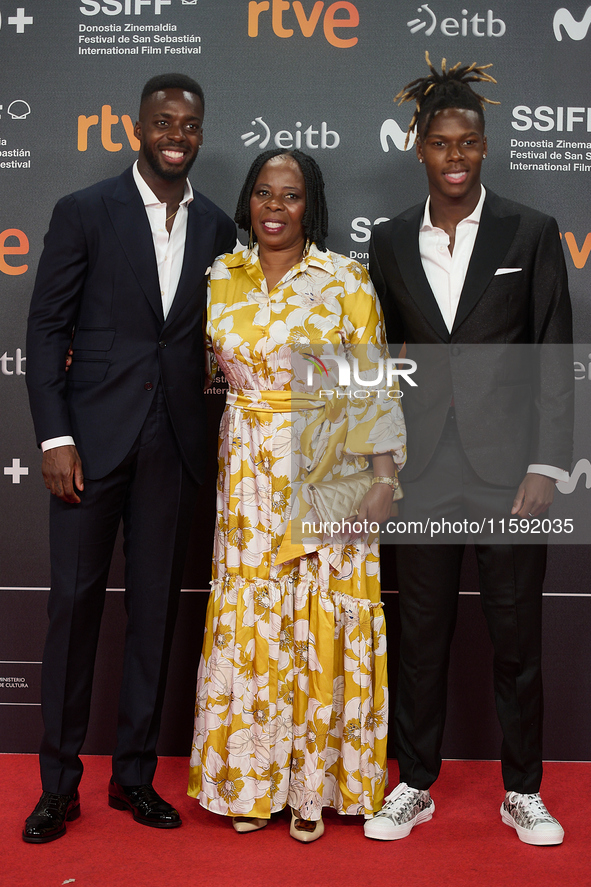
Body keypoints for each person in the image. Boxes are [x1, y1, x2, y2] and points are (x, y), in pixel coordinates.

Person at [363, 54, 573, 846]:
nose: (454, 156)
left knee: (516, 635)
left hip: (509, 473)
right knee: (418, 636)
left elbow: (553, 351)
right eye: (440, 142)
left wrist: (546, 464)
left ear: (485, 148)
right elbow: (375, 358)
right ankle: (413, 782)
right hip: (421, 470)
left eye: (468, 143)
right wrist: (380, 465)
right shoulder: (385, 242)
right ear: (417, 147)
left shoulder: (531, 230)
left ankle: (523, 789)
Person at [23, 73, 236, 843]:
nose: (175, 132)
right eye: (162, 121)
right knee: (73, 612)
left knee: (153, 616)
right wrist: (54, 436)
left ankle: (135, 778)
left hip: (174, 445)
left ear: (200, 133)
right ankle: (58, 786)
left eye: (188, 122)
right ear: (136, 128)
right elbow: (46, 330)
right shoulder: (82, 211)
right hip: (88, 444)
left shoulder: (217, 226)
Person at [187, 148, 406, 842]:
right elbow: (206, 371)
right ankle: (250, 784)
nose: (274, 207)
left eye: (290, 195)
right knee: (252, 620)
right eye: (262, 193)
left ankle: (312, 790)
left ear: (310, 204)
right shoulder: (222, 275)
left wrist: (382, 476)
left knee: (317, 623)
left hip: (326, 464)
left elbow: (372, 383)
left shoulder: (344, 278)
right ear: (247, 202)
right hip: (247, 469)